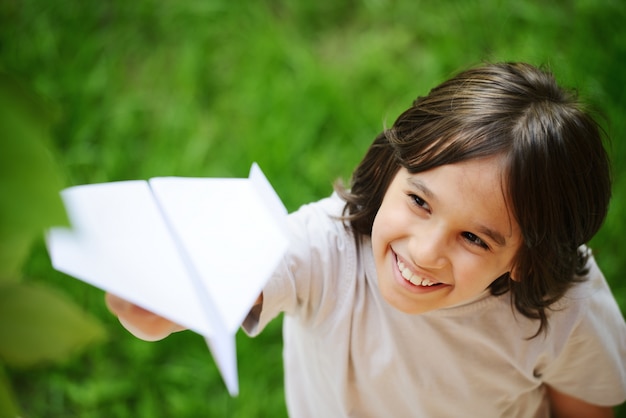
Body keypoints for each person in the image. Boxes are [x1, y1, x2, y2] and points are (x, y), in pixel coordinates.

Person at [106, 62, 626, 417]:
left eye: (473, 238)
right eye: (420, 202)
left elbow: (583, 408)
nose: (424, 252)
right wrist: (166, 299)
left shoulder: (564, 310)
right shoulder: (325, 248)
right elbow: (247, 265)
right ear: (392, 166)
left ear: (527, 259)